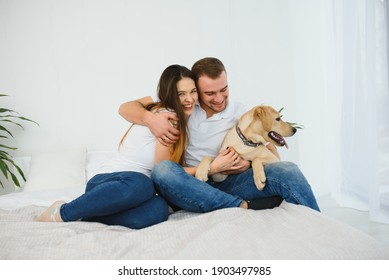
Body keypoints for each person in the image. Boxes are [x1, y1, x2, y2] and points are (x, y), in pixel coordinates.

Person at [119, 57, 320, 213]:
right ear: (196, 90)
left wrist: (247, 164)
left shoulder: (240, 112)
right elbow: (125, 108)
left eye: (224, 89)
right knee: (162, 171)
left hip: (231, 181)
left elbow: (271, 153)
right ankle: (243, 206)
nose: (219, 98)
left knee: (288, 170)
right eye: (210, 94)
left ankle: (319, 225)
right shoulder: (184, 102)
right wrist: (150, 119)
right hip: (192, 183)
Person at [35, 64, 200, 229]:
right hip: (108, 184)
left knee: (159, 209)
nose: (189, 99)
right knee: (143, 184)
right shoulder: (167, 117)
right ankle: (63, 212)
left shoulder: (175, 117)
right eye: (181, 94)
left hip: (132, 195)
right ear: (169, 94)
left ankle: (87, 214)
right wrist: (207, 168)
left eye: (193, 91)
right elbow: (162, 171)